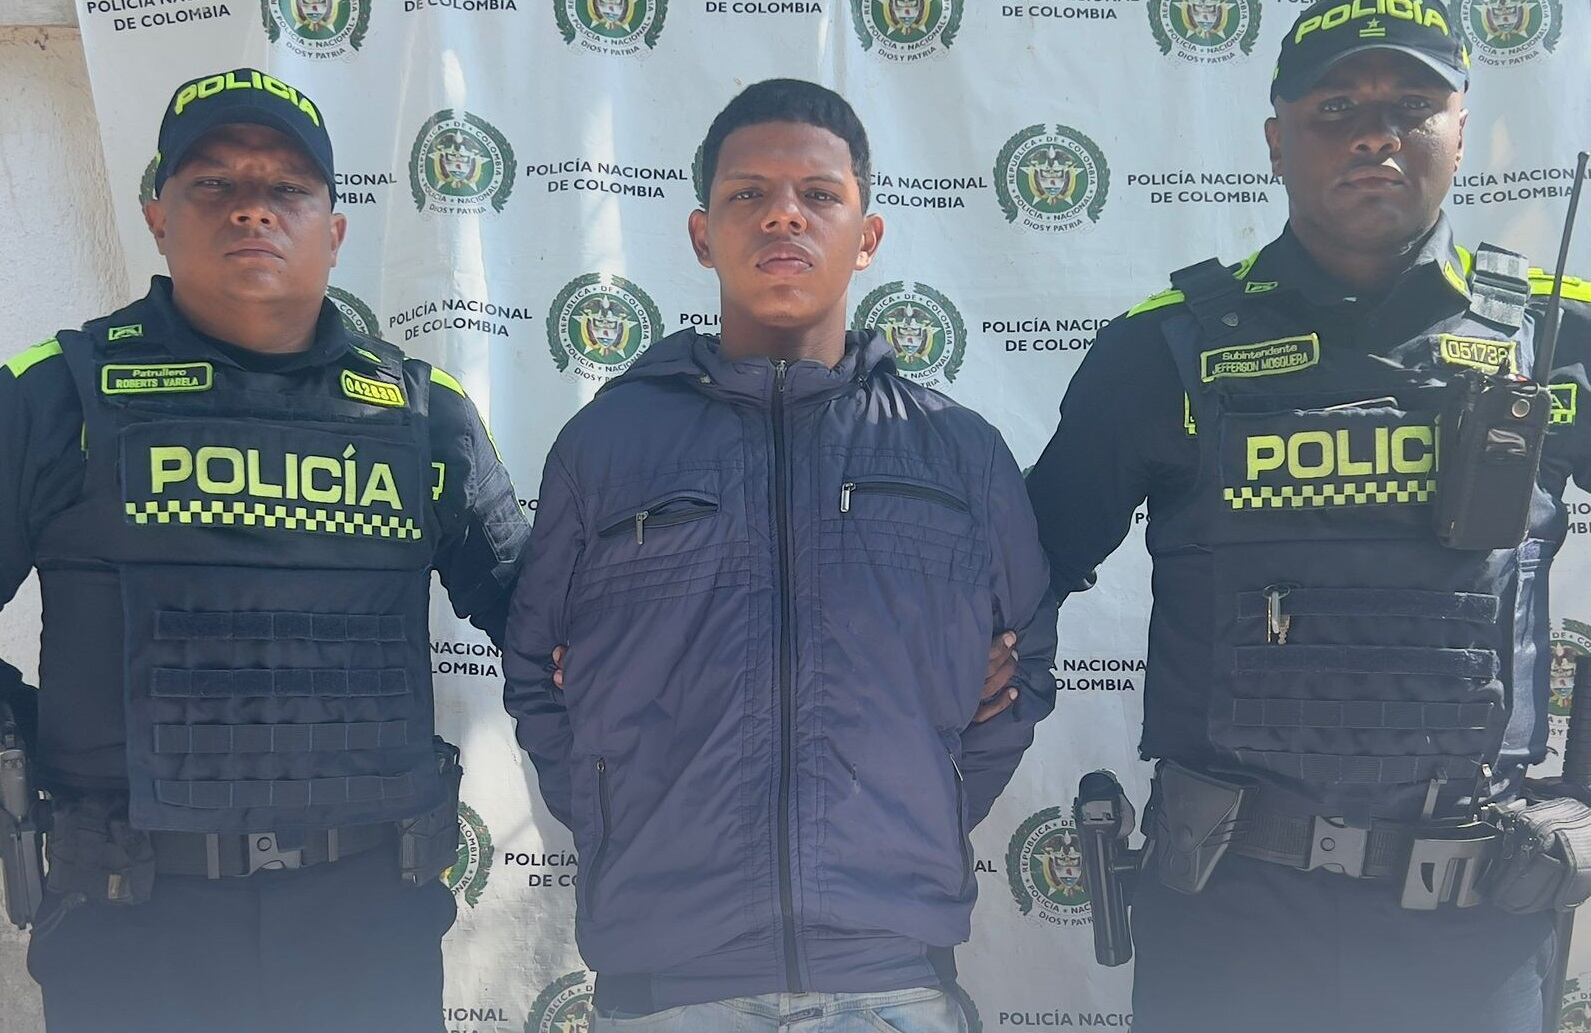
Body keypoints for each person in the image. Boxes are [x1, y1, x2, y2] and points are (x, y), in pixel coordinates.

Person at [1026, 5, 1591, 1032]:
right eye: (1337, 106)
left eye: (1412, 106)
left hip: (1473, 926)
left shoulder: (1561, 340)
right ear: (1276, 138)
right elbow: (1016, 581)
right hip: (1233, 915)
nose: (1376, 133)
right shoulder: (1160, 352)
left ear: (1461, 130)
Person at [503, 78, 1058, 1033]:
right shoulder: (606, 447)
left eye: (818, 194)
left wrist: (930, 789)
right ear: (699, 234)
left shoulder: (954, 451)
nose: (782, 217)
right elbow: (536, 676)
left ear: (868, 234)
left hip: (891, 975)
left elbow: (1026, 665)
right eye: (747, 195)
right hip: (670, 979)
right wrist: (616, 813)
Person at [0, 68, 528, 1033]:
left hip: (365, 921)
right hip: (131, 924)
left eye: (287, 187)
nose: (253, 208)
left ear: (333, 227)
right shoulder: (52, 395)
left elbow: (544, 619)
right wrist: (21, 731)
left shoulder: (421, 413)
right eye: (214, 183)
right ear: (158, 214)